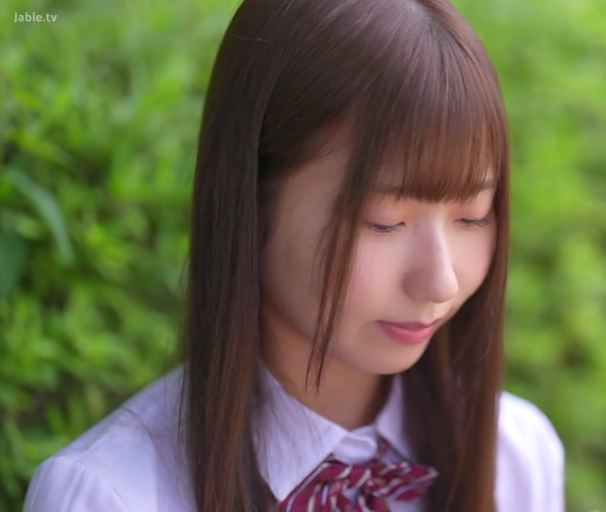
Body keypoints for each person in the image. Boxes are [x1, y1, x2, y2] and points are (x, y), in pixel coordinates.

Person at [23, 0, 564, 510]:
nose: (441, 281)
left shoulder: (515, 455)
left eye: (473, 216)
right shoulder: (112, 494)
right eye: (384, 222)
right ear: (252, 202)